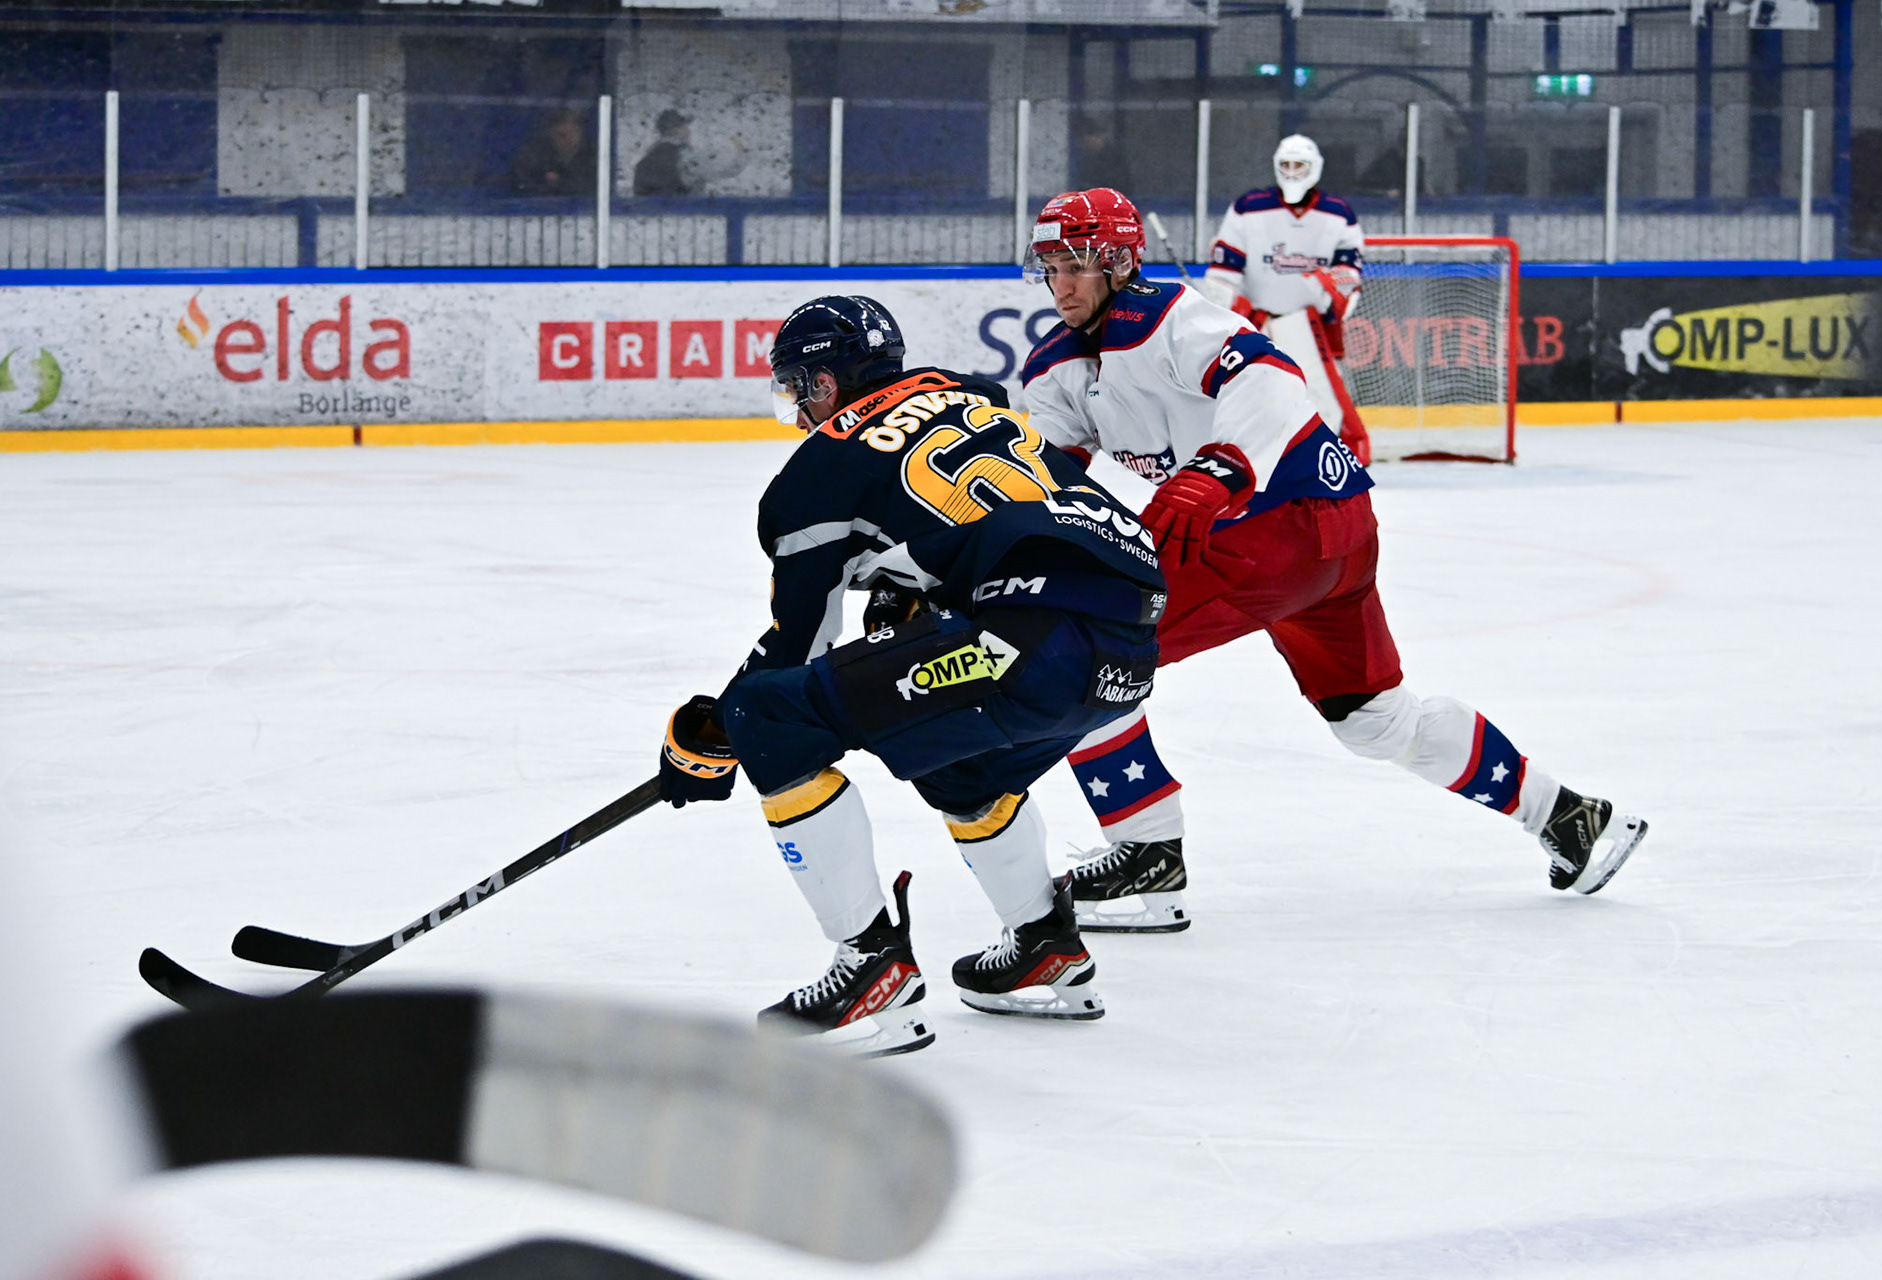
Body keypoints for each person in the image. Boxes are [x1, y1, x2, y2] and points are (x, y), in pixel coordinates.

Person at [1017, 187, 1648, 934]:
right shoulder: (1057, 365)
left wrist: (1218, 469)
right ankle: (1570, 818)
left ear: (1122, 263)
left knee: (1081, 661)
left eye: (1077, 266)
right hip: (1337, 531)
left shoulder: (1169, 317)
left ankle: (1147, 860)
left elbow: (1270, 377)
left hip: (1268, 532)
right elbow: (1044, 475)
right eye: (1051, 267)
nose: (1061, 285)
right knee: (1375, 719)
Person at [655, 294, 1166, 1056]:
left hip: (1029, 640)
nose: (796, 409)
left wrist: (717, 730)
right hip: (1131, 645)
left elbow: (800, 649)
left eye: (796, 387)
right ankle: (1044, 948)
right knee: (960, 768)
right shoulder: (966, 393)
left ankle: (873, 970)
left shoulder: (815, 475)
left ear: (825, 383)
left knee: (768, 716)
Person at [1197, 135, 1374, 465]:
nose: (1292, 172)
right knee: (1247, 394)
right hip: (1255, 320)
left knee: (1322, 399)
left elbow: (1348, 274)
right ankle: (1245, 458)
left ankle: (1322, 461)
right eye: (1286, 165)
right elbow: (1224, 271)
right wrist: (1223, 309)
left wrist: (1335, 299)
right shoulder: (1249, 207)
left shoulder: (1338, 213)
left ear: (1314, 168)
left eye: (1299, 165)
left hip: (1308, 324)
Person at [509, 109, 596, 197]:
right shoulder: (534, 154)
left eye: (573, 134)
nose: (569, 140)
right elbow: (518, 182)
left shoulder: (593, 156)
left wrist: (562, 182)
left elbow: (592, 186)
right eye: (562, 135)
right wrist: (543, 181)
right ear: (551, 134)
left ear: (581, 133)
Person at [632, 109, 695, 196]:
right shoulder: (682, 157)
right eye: (684, 127)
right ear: (675, 131)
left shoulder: (647, 160)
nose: (689, 132)